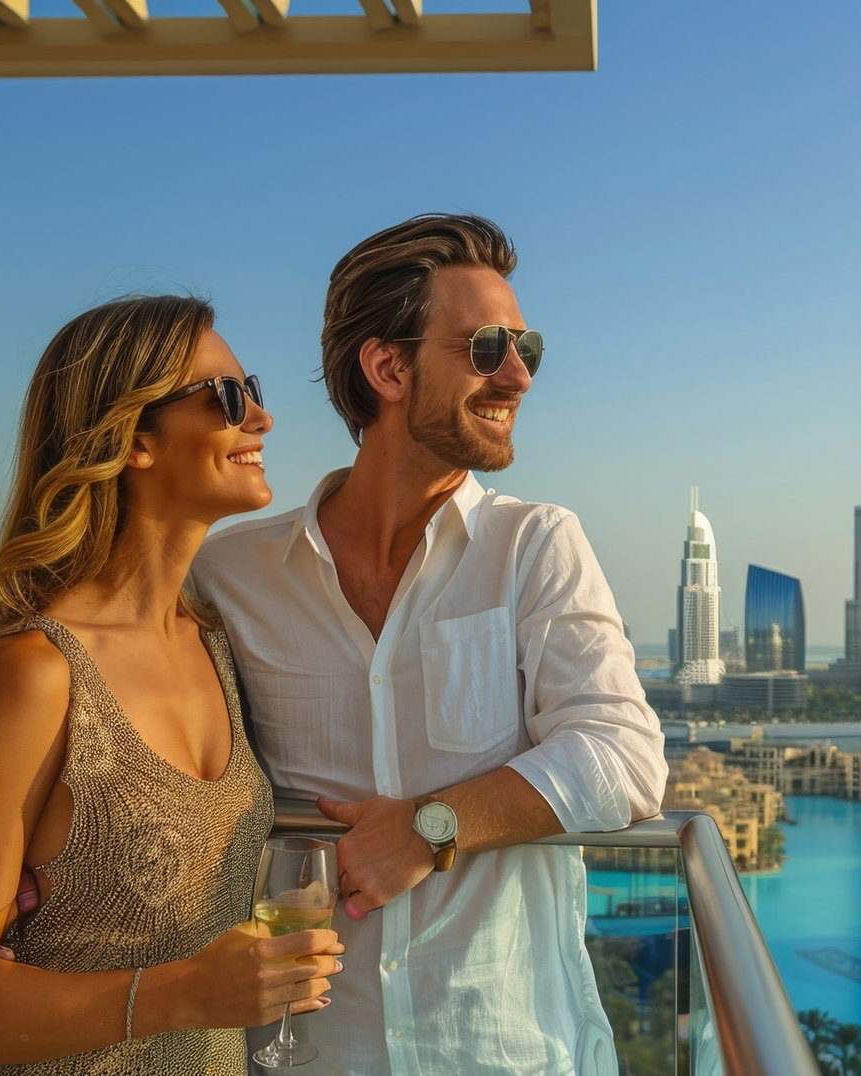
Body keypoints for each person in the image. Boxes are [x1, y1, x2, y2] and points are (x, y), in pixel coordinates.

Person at [193, 214, 668, 1073]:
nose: (519, 374)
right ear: (389, 367)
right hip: (307, 1056)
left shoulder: (536, 546)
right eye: (487, 347)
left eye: (527, 346)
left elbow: (626, 759)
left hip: (505, 1051)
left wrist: (431, 828)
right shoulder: (231, 575)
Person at [0, 295, 343, 1073]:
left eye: (256, 391)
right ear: (134, 439)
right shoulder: (33, 674)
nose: (262, 420)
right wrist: (189, 995)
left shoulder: (218, 647)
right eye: (229, 398)